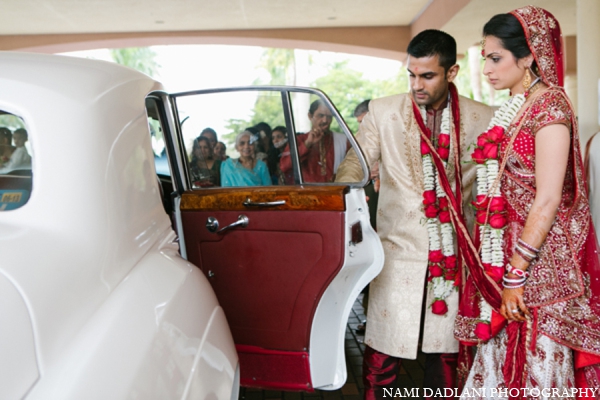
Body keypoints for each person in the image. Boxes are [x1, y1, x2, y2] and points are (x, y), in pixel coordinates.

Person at [335, 30, 493, 399]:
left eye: (427, 76)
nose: (416, 85)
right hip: (397, 251)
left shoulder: (483, 118)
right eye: (411, 74)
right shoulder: (384, 110)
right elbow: (355, 163)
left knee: (446, 356)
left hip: (453, 257)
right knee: (383, 354)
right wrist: (346, 195)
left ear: (451, 72)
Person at [454, 6, 600, 397]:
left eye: (495, 58)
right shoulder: (517, 107)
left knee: (534, 364)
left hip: (537, 264)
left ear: (529, 55)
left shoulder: (549, 108)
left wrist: (516, 273)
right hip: (508, 256)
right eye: (485, 58)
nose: (486, 68)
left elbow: (549, 197)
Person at [280, 100, 349, 182]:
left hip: (334, 192)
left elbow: (354, 167)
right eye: (320, 115)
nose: (325, 120)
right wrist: (307, 144)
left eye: (329, 117)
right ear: (310, 116)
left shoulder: (343, 140)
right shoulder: (299, 140)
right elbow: (284, 167)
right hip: (307, 193)